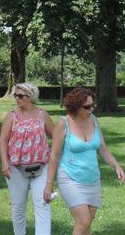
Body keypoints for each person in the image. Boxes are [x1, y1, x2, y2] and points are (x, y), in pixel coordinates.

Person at [44, 87, 125, 235]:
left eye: (92, 105)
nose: (91, 109)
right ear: (75, 107)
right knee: (83, 222)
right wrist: (49, 185)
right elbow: (54, 155)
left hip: (92, 179)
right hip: (70, 178)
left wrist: (116, 166)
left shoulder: (94, 120)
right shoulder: (64, 124)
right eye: (87, 107)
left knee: (86, 227)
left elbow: (101, 147)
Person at [0, 82, 55, 235]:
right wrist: (4, 162)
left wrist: (54, 155)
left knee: (43, 203)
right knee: (18, 206)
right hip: (15, 168)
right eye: (15, 95)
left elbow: (56, 137)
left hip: (41, 167)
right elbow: (3, 139)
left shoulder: (42, 114)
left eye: (20, 96)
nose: (17, 98)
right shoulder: (12, 115)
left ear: (31, 97)